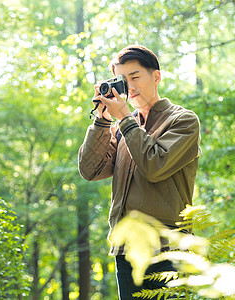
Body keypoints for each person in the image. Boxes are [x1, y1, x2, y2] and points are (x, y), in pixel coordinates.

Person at [78, 45, 201, 299]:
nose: (129, 87)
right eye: (122, 81)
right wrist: (102, 120)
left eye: (135, 77)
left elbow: (154, 166)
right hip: (126, 250)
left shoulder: (183, 120)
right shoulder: (125, 126)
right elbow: (90, 170)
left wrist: (124, 117)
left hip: (168, 250)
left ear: (156, 77)